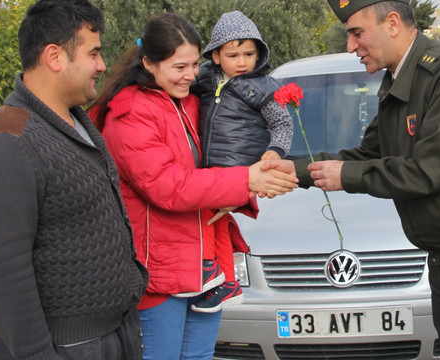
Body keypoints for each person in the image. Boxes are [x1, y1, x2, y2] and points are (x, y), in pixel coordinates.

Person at [264, 1, 440, 359]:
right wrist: (299, 170)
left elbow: (432, 169)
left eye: (356, 33)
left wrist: (346, 175)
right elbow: (368, 155)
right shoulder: (399, 81)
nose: (351, 46)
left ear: (393, 23)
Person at [88, 13, 297, 360]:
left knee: (199, 356)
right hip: (161, 267)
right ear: (149, 63)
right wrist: (245, 180)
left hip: (204, 259)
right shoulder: (129, 113)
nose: (190, 75)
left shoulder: (187, 99)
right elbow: (168, 186)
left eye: (192, 64)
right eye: (178, 67)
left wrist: (263, 164)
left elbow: (226, 148)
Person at [0, 1, 149, 359]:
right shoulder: (8, 142)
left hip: (110, 338)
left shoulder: (74, 123)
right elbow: (4, 276)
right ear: (54, 56)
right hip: (65, 348)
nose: (102, 65)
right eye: (93, 53)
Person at [190, 10, 293, 313]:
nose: (242, 61)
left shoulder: (263, 87)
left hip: (242, 170)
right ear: (216, 56)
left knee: (212, 220)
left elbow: (283, 124)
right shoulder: (205, 78)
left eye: (249, 53)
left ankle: (213, 272)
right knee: (214, 222)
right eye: (233, 55)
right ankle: (221, 278)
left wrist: (275, 152)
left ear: (259, 53)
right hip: (207, 169)